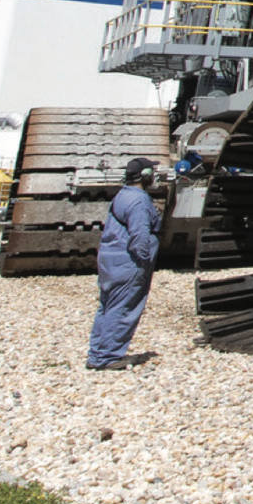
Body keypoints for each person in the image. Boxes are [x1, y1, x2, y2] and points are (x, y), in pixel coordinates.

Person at [87, 156, 161, 370]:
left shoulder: (122, 195)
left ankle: (97, 354)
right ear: (146, 176)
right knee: (123, 308)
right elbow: (139, 237)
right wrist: (145, 262)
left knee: (107, 306)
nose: (155, 177)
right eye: (152, 173)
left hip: (110, 260)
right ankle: (108, 357)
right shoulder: (139, 200)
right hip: (128, 263)